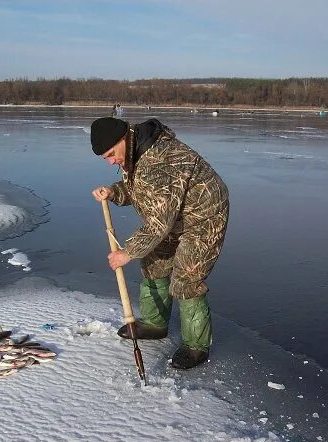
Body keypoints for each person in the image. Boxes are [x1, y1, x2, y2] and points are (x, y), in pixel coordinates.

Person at [90, 117, 229, 369]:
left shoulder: (159, 161)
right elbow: (139, 189)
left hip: (203, 216)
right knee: (154, 264)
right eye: (105, 159)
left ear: (123, 139)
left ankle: (196, 347)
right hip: (172, 215)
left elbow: (157, 223)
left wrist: (127, 252)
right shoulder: (135, 150)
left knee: (186, 277)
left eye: (111, 154)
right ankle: (155, 324)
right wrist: (114, 192)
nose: (111, 161)